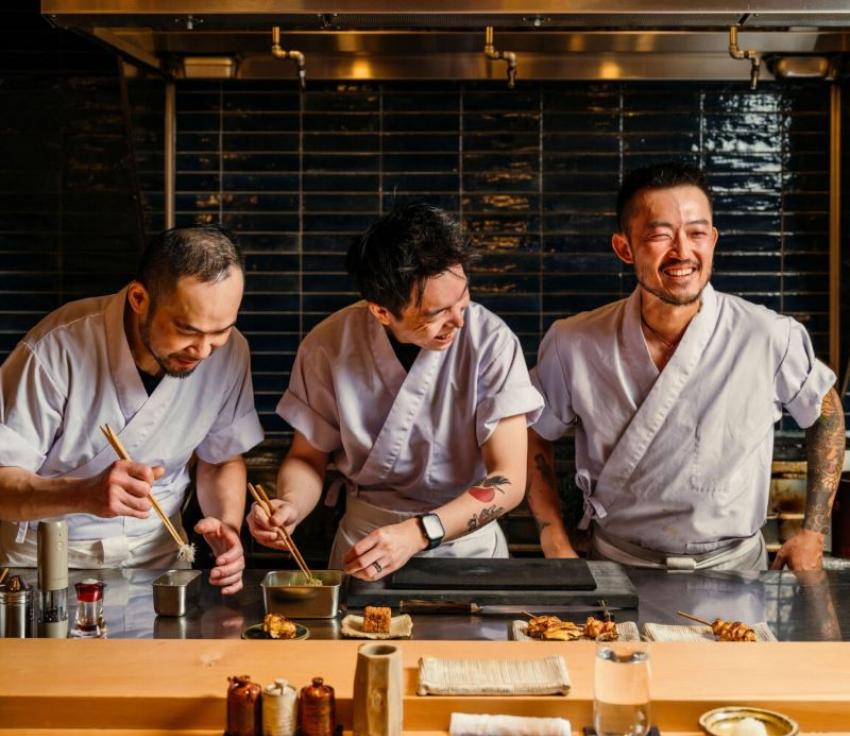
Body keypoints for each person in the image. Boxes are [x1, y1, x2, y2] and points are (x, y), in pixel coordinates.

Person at [527, 162, 845, 572]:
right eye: (660, 235)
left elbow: (827, 413)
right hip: (616, 568)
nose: (682, 252)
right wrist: (554, 540)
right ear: (624, 248)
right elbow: (532, 433)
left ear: (712, 240)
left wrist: (814, 532)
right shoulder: (573, 342)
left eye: (696, 233)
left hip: (735, 571)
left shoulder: (767, 335)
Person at [248, 203, 543, 580]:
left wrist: (420, 532)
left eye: (463, 300)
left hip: (468, 549)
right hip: (365, 545)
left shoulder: (492, 343)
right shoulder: (328, 345)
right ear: (381, 311)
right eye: (437, 313)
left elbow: (510, 479)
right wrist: (290, 505)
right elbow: (307, 458)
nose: (458, 320)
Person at [0, 225, 264, 594]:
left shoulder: (231, 351)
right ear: (139, 298)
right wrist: (82, 495)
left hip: (159, 562)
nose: (204, 351)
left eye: (220, 331)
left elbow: (220, 459)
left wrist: (227, 525)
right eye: (186, 329)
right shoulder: (56, 348)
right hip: (46, 562)